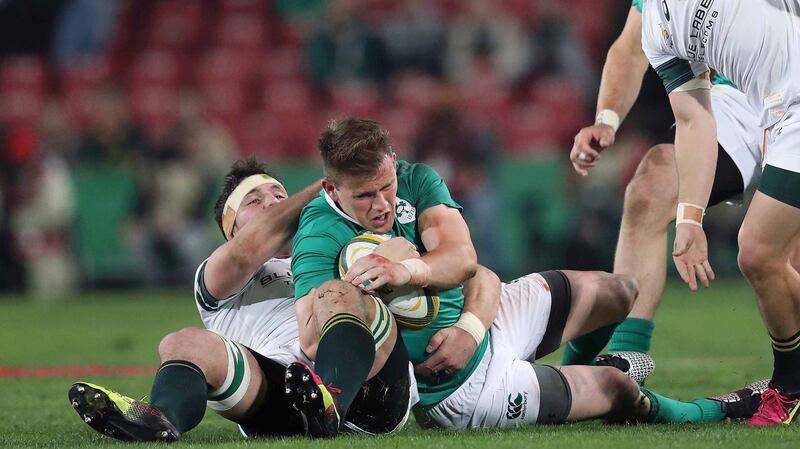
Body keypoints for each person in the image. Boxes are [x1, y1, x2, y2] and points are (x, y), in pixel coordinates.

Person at [291, 117, 762, 430]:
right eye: (364, 196)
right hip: (461, 387)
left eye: (386, 186)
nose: (382, 205)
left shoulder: (418, 180)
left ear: (394, 164)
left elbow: (463, 259)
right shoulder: (318, 233)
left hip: (487, 319)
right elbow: (313, 335)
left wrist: (417, 280)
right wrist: (360, 294)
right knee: (618, 391)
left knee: (620, 290)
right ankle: (714, 409)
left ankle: (585, 365)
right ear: (331, 187)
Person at [68, 159, 415, 441]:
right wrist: (333, 183)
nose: (274, 204)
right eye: (254, 201)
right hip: (283, 395)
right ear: (230, 229)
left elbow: (408, 258)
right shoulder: (220, 272)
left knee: (336, 292)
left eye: (280, 195)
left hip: (373, 392)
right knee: (182, 342)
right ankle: (159, 419)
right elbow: (246, 249)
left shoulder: (334, 248)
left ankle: (330, 402)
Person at [564, 0, 762, 366]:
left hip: (790, 91)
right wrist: (607, 119)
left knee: (773, 257)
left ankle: (789, 378)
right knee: (652, 185)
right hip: (739, 99)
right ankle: (626, 361)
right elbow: (631, 47)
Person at [635, 0, 800, 426]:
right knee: (768, 259)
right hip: (779, 120)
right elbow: (694, 119)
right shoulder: (657, 26)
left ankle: (789, 388)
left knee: (759, 251)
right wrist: (689, 219)